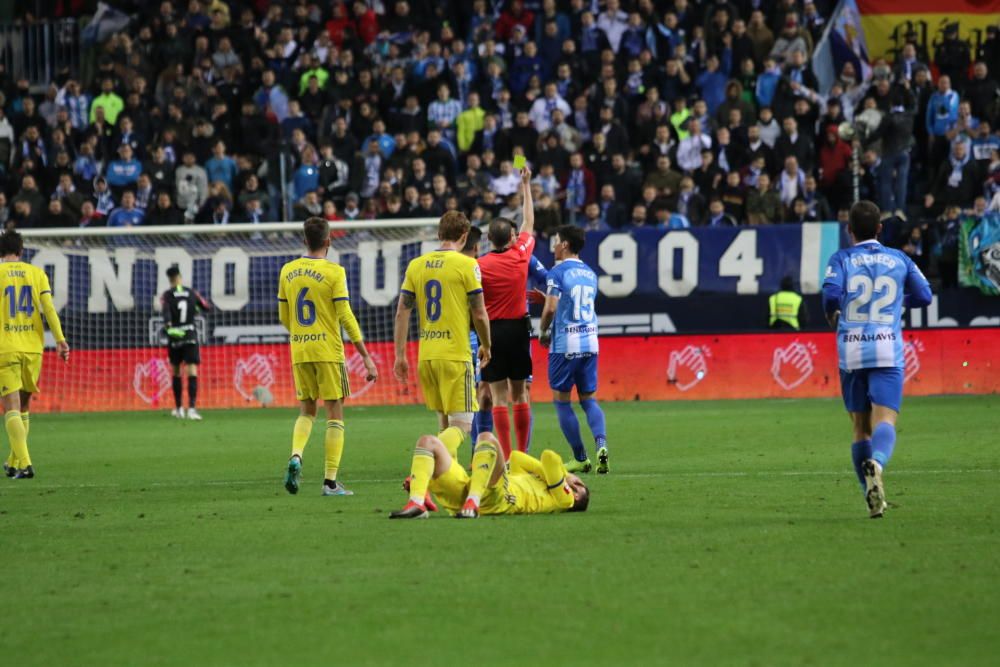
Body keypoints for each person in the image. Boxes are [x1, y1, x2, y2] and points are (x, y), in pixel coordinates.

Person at [821, 201, 932, 518]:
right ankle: (878, 463)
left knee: (860, 428)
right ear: (880, 229)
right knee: (886, 421)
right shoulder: (899, 258)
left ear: (849, 230)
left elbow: (830, 295)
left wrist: (834, 312)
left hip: (851, 349)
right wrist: (897, 301)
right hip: (886, 347)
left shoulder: (841, 258)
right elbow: (925, 296)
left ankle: (872, 497)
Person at [278, 217, 378, 497]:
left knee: (306, 409)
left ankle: (296, 455)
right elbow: (345, 315)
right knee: (334, 413)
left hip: (299, 349)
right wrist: (366, 357)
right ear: (328, 242)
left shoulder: (288, 270)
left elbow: (284, 316)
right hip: (328, 351)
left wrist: (301, 334)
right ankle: (330, 482)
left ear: (304, 241)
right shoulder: (335, 271)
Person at [393, 211, 491, 456]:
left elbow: (401, 312)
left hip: (427, 356)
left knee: (444, 422)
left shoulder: (416, 265)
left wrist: (400, 355)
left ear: (439, 235)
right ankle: (427, 457)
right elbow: (479, 313)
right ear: (465, 236)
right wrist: (487, 345)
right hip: (455, 355)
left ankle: (449, 481)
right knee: (463, 425)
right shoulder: (468, 265)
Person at [388, 431, 589, 519]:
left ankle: (472, 502)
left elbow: (549, 458)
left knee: (487, 438)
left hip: (501, 498)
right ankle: (417, 502)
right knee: (427, 442)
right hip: (474, 490)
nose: (574, 482)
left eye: (579, 485)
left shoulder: (566, 500)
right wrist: (548, 475)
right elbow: (517, 458)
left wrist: (566, 475)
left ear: (577, 494)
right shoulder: (543, 482)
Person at [539, 225, 609, 474]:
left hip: (565, 345)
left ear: (565, 244)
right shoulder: (590, 273)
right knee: (589, 399)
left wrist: (543, 330)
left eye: (556, 241)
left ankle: (580, 457)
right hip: (590, 341)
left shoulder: (557, 272)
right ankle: (601, 444)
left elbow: (550, 309)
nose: (554, 246)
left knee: (561, 402)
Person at [1, 230, 70, 479]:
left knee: (10, 406)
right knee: (24, 405)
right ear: (21, 250)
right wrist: (60, 340)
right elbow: (49, 309)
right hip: (33, 348)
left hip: (5, 347)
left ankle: (26, 463)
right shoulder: (36, 273)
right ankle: (13, 460)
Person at [477, 167, 535, 456]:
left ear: (489, 239)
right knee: (520, 392)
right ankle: (522, 454)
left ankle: (507, 456)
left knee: (498, 396)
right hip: (518, 329)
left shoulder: (479, 265)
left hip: (493, 332)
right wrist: (525, 184)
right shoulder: (521, 254)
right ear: (511, 238)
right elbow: (529, 222)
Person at [160, 267, 212, 420]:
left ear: (170, 279)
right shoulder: (191, 292)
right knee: (192, 371)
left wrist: (170, 327)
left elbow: (166, 315)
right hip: (190, 334)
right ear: (180, 277)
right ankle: (192, 410)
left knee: (176, 371)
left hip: (176, 336)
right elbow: (207, 307)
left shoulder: (167, 295)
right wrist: (195, 307)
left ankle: (179, 409)